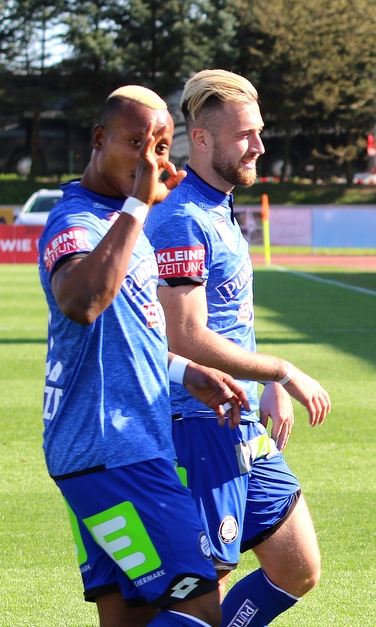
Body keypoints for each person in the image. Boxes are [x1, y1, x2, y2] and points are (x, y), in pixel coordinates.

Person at [38, 85, 250, 627]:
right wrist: (137, 202)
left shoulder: (123, 222)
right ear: (98, 139)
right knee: (200, 605)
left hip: (105, 451)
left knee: (128, 615)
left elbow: (127, 337)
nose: (147, 161)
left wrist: (183, 372)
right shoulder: (78, 222)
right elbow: (82, 302)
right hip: (115, 452)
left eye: (158, 149)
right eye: (135, 143)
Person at [144, 70, 331, 627]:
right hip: (200, 423)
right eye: (245, 134)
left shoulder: (219, 207)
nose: (259, 145)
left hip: (241, 417)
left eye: (260, 131)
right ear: (201, 139)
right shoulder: (180, 218)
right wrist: (282, 369)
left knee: (297, 567)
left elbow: (228, 322)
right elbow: (186, 335)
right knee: (201, 592)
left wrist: (264, 383)